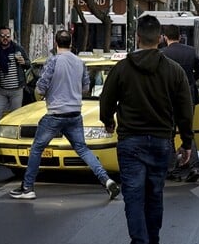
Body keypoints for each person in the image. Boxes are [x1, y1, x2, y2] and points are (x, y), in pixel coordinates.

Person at [100, 15, 194, 244]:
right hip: (162, 142)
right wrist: (186, 142)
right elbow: (185, 109)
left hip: (130, 142)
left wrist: (108, 121)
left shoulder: (121, 68)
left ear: (137, 38)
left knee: (133, 198)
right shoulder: (174, 70)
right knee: (154, 197)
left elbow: (106, 100)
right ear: (160, 38)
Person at [9, 30, 119, 200]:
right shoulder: (79, 62)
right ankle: (107, 180)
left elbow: (41, 87)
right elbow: (84, 88)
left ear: (56, 43)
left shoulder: (53, 61)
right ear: (71, 43)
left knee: (37, 148)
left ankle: (28, 187)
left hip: (55, 113)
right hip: (75, 113)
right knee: (83, 149)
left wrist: (44, 94)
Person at [161, 24, 199, 183]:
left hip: (169, 100)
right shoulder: (190, 51)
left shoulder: (162, 54)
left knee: (169, 134)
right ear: (179, 36)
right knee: (188, 131)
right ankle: (194, 167)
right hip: (188, 98)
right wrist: (190, 82)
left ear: (165, 37)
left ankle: (172, 169)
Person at [0, 27, 30, 129]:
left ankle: (10, 137)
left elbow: (28, 63)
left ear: (10, 37)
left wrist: (24, 62)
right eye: (3, 36)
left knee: (15, 118)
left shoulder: (18, 49)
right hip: (1, 91)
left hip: (17, 90)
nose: (5, 38)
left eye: (7, 36)